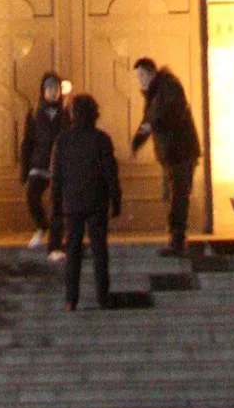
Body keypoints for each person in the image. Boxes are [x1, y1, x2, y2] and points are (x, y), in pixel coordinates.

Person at [50, 87, 121, 309]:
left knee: (73, 252)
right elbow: (110, 173)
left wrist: (56, 206)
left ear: (73, 115)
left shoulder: (63, 141)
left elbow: (57, 176)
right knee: (100, 250)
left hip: (72, 204)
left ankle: (71, 299)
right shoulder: (101, 140)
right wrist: (116, 200)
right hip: (97, 202)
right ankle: (103, 296)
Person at [129, 55, 201, 256]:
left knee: (178, 195)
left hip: (180, 152)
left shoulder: (168, 88)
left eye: (142, 75)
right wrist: (138, 140)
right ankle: (175, 238)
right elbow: (149, 120)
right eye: (138, 77)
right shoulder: (155, 93)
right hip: (171, 154)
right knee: (172, 195)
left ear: (151, 73)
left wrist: (152, 127)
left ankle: (177, 240)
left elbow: (168, 114)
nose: (140, 81)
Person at [18, 69, 66, 251]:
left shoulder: (65, 113)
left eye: (56, 88)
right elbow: (27, 142)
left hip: (59, 166)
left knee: (59, 203)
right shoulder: (35, 113)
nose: (53, 92)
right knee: (32, 196)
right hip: (39, 162)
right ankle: (41, 227)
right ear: (43, 91)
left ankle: (56, 240)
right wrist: (24, 169)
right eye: (50, 88)